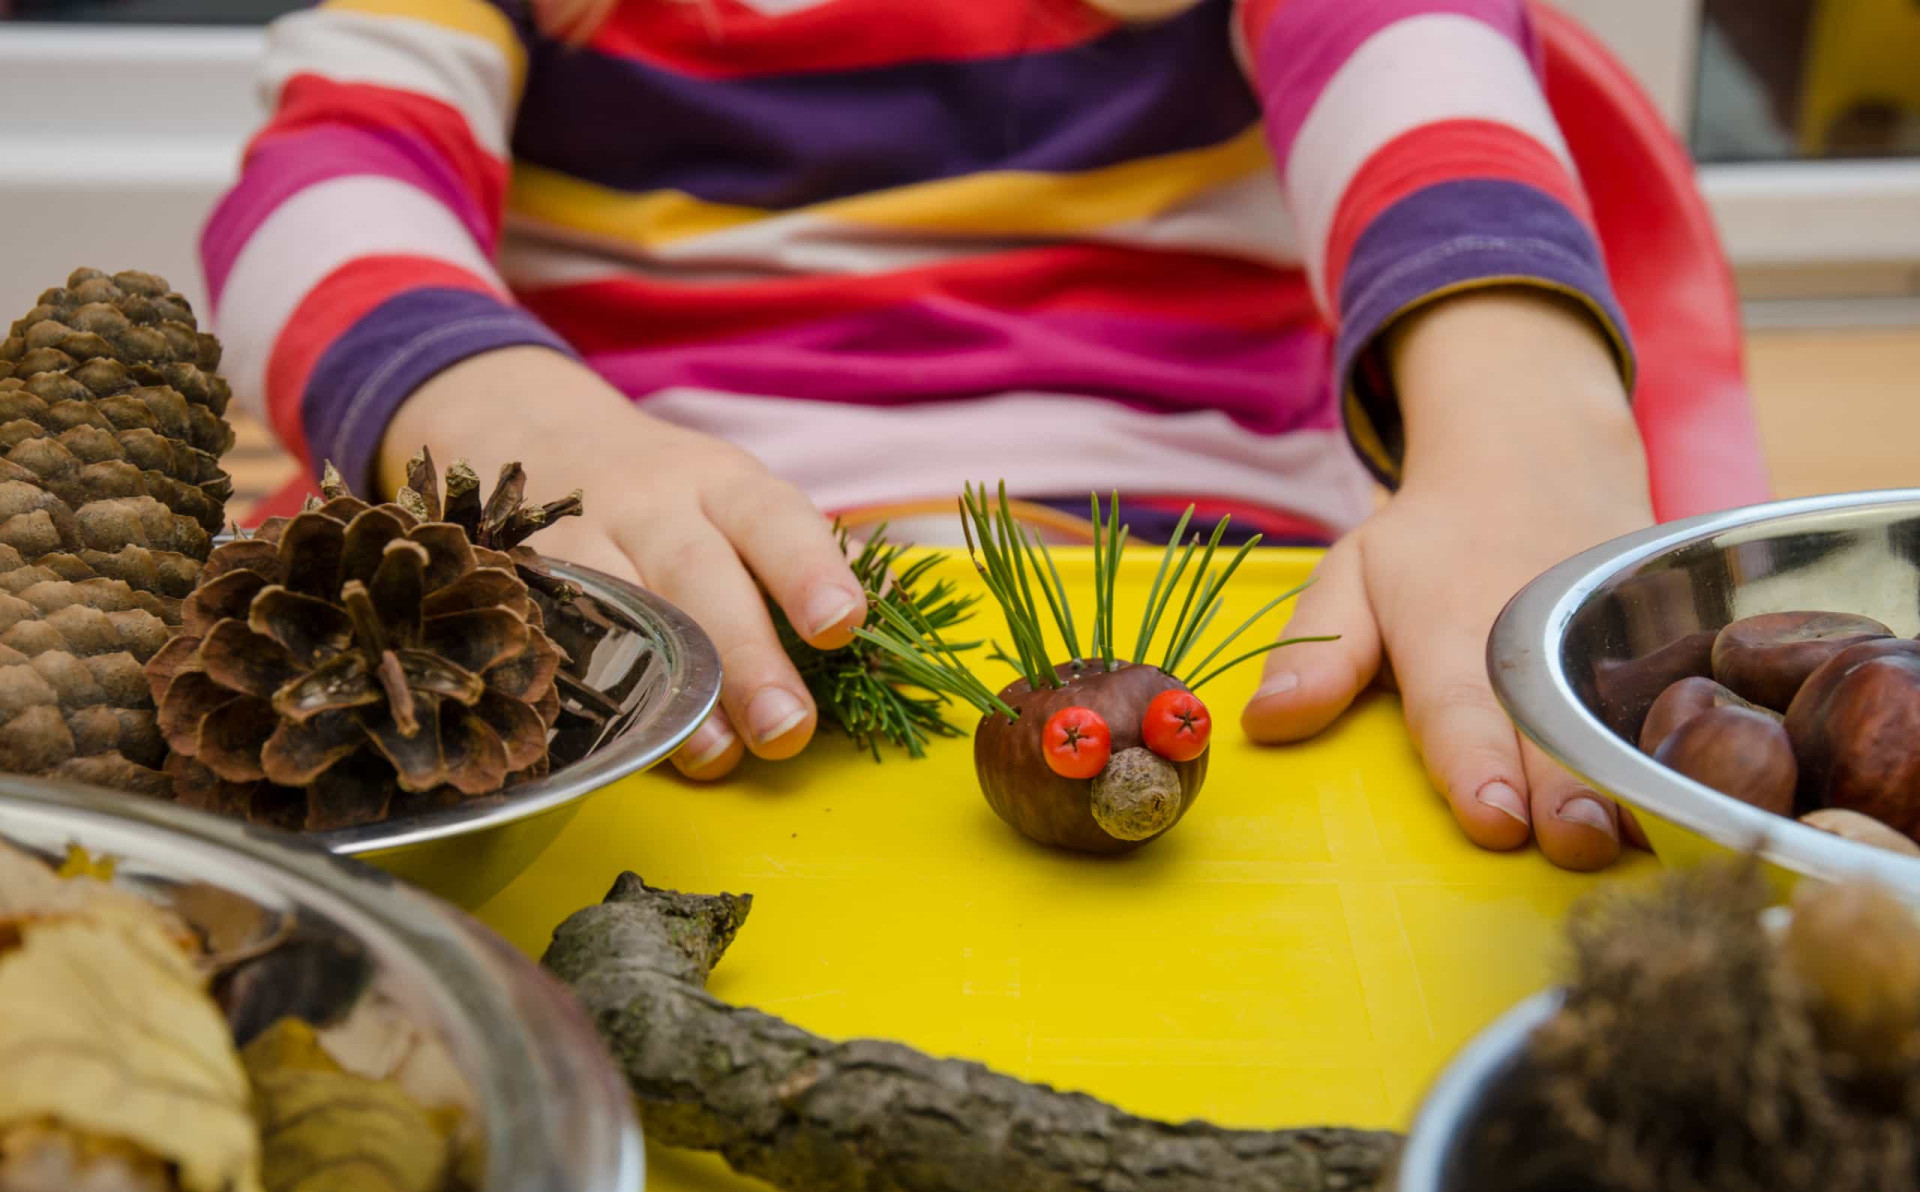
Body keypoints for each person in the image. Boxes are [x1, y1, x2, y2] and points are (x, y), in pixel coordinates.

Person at [203, 0, 1656, 871]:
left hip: (1233, 566)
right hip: (652, 573)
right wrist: (513, 424)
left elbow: (1418, 72)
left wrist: (1524, 421)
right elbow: (324, 183)